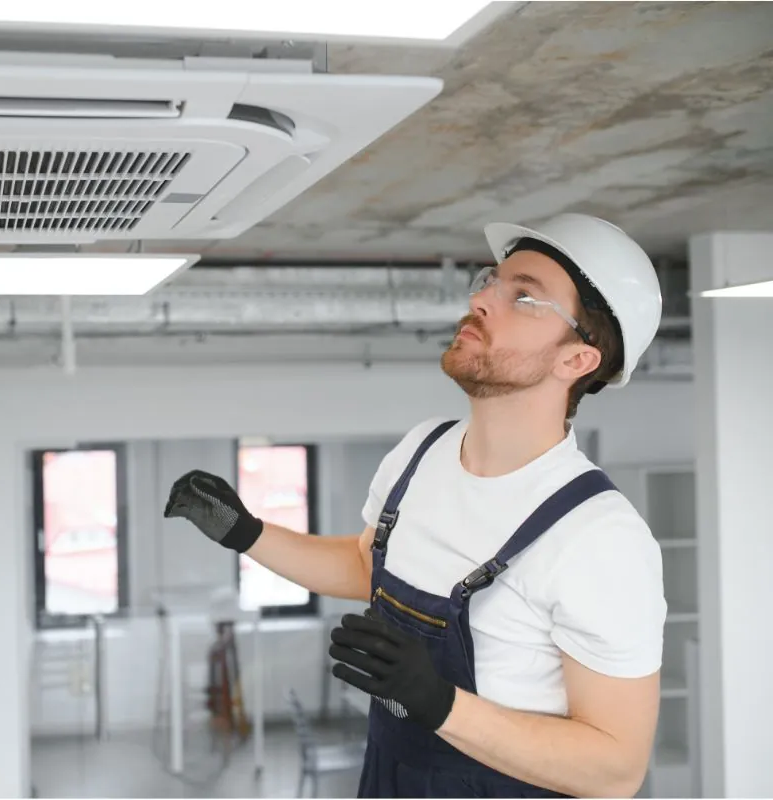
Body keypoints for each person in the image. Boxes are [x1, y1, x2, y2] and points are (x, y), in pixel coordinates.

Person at [163, 213, 667, 798]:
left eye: (524, 296)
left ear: (577, 360)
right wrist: (246, 533)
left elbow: (616, 769)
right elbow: (366, 565)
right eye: (490, 281)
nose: (481, 300)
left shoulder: (598, 536)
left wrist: (439, 702)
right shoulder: (422, 451)